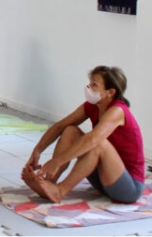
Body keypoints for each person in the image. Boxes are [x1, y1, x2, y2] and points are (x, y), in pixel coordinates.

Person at [21, 66, 144, 204]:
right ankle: (48, 182)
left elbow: (93, 139)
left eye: (94, 85)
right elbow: (61, 125)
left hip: (128, 188)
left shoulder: (118, 110)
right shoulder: (93, 106)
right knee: (70, 131)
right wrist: (37, 150)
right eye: (90, 83)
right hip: (102, 180)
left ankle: (60, 191)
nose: (88, 87)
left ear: (110, 92)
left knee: (98, 143)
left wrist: (56, 162)